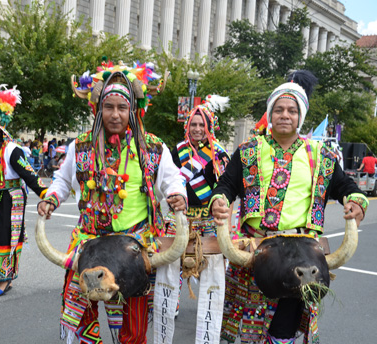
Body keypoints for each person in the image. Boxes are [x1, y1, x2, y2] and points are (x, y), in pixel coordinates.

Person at [210, 81, 368, 344]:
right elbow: (226, 185)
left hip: (302, 253)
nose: (285, 115)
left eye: (292, 111)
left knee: (284, 328)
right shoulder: (249, 151)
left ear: (300, 117)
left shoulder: (320, 155)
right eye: (279, 109)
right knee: (251, 326)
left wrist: (356, 201)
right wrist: (219, 200)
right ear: (270, 115)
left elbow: (347, 187)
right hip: (258, 249)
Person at [37, 65, 185, 343]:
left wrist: (178, 196)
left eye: (121, 107)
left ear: (132, 110)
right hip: (89, 242)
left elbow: (172, 181)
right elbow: (62, 181)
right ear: (98, 109)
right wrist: (50, 199)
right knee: (81, 317)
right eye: (108, 107)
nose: (115, 114)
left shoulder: (152, 148)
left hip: (133, 247)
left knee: (133, 326)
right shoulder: (80, 147)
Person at [0, 84, 48, 297]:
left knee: (3, 238)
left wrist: (47, 196)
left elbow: (29, 175)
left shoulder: (12, 150)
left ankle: (4, 279)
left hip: (8, 200)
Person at [165, 95, 231, 237]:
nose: (197, 129)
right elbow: (168, 181)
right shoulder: (178, 151)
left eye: (202, 125)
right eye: (193, 125)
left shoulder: (218, 153)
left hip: (208, 220)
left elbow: (226, 186)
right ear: (187, 126)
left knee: (211, 258)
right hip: (180, 217)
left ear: (209, 127)